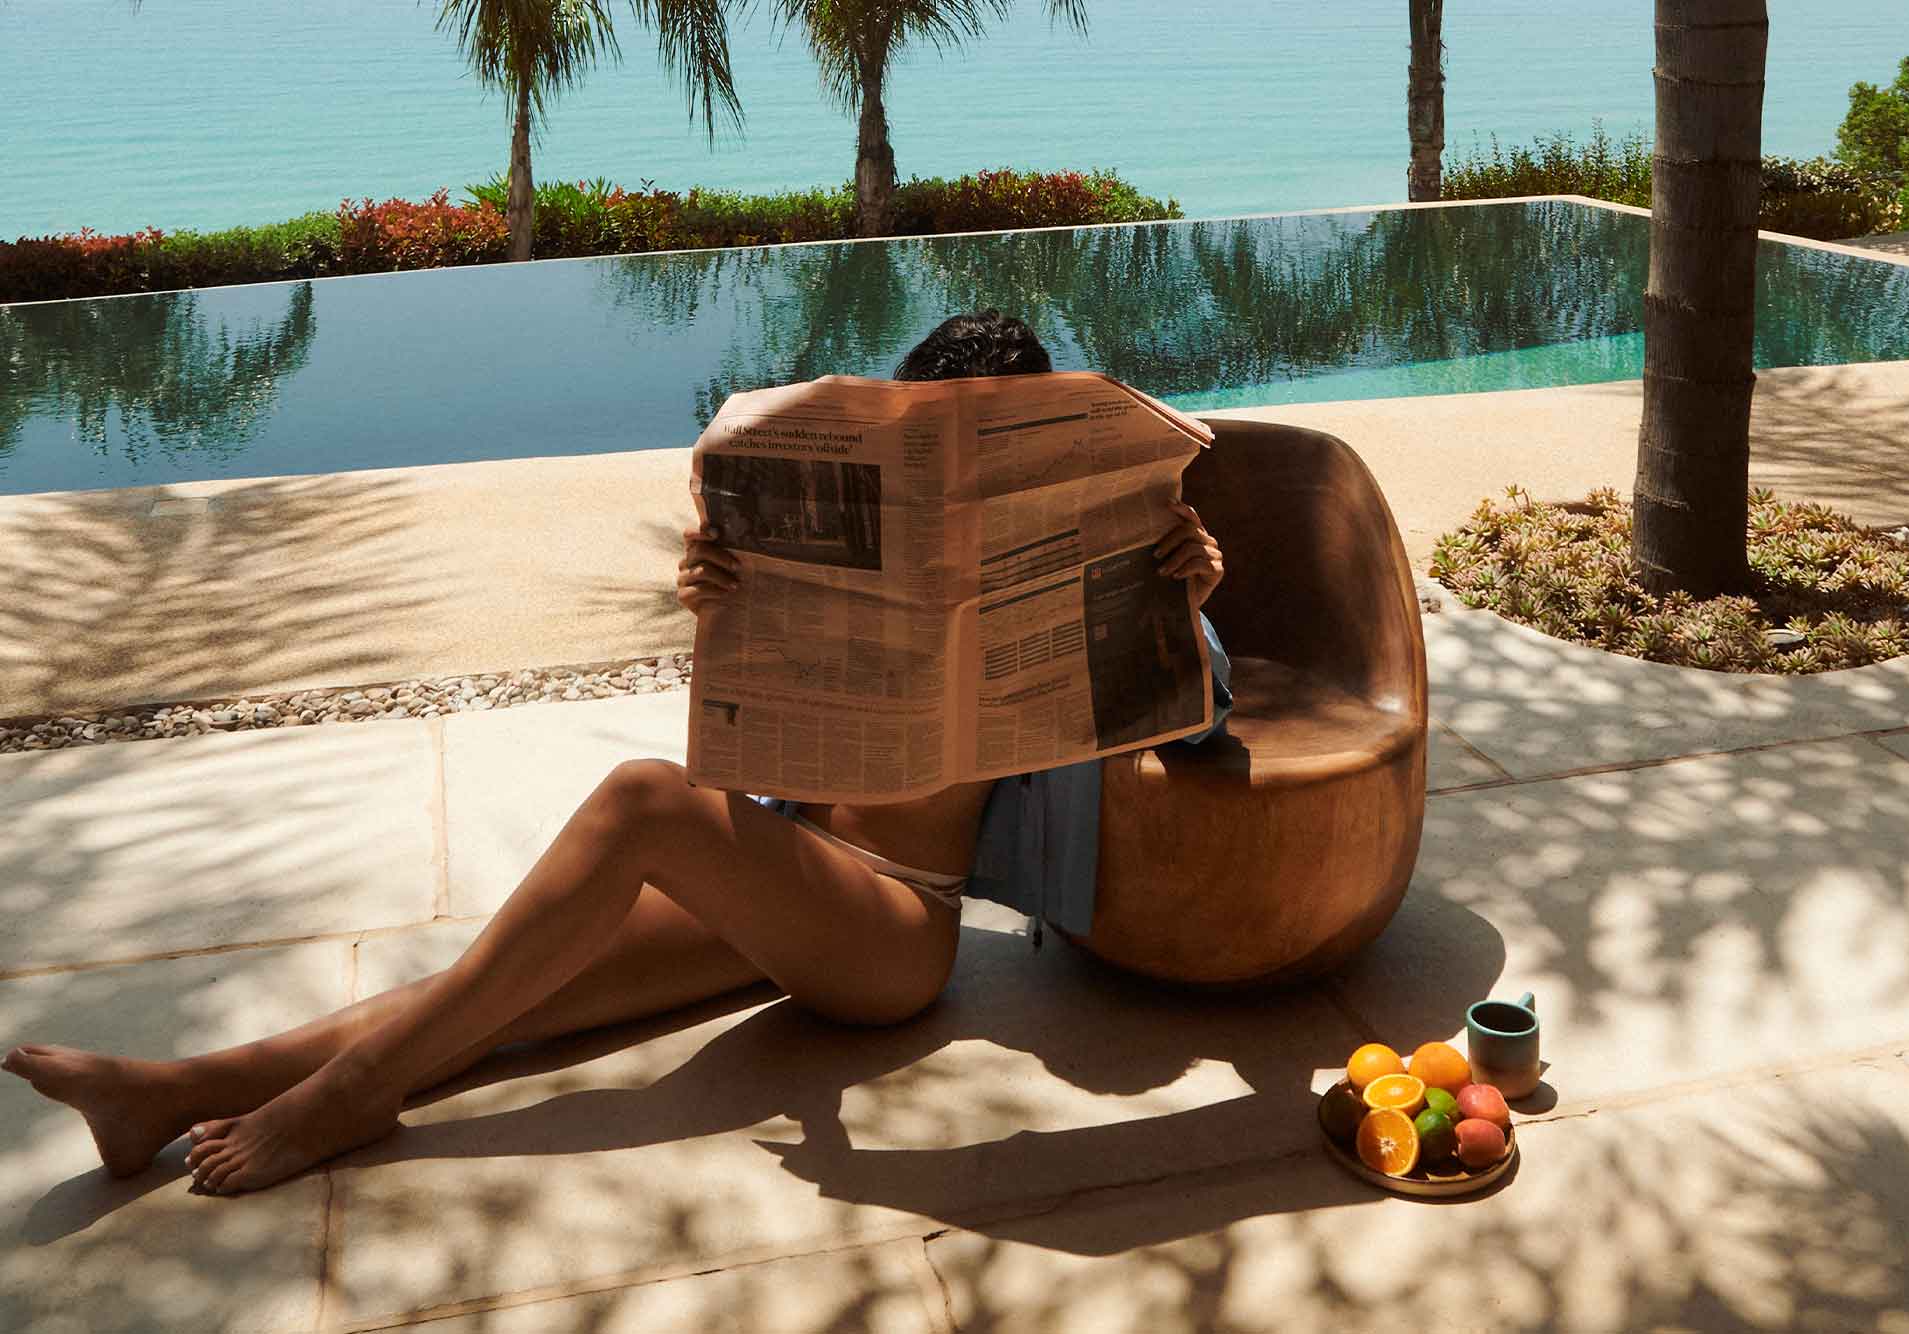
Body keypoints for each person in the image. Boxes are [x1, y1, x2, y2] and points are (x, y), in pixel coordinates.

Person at [1, 310, 1228, 1197]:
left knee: (644, 798)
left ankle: (340, 1104)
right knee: (501, 984)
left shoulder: (1098, 545)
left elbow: (1191, 716)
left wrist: (1188, 596)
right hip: (791, 869)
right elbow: (771, 697)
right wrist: (719, 596)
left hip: (895, 928)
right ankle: (165, 1091)